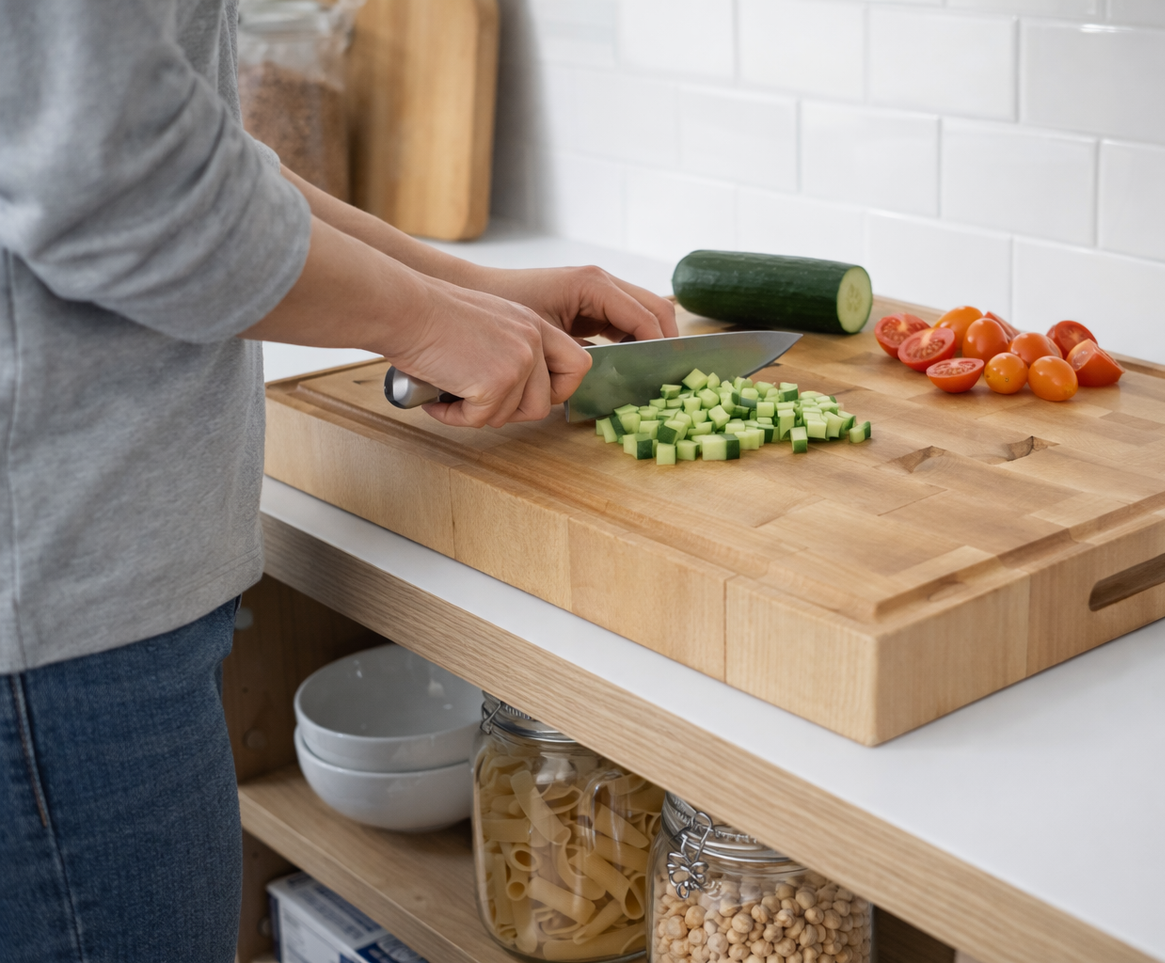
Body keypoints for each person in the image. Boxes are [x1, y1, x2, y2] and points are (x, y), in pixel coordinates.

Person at [0, 1, 674, 960]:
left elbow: (185, 151)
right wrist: (424, 322)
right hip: (55, 628)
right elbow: (117, 180)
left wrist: (459, 293)